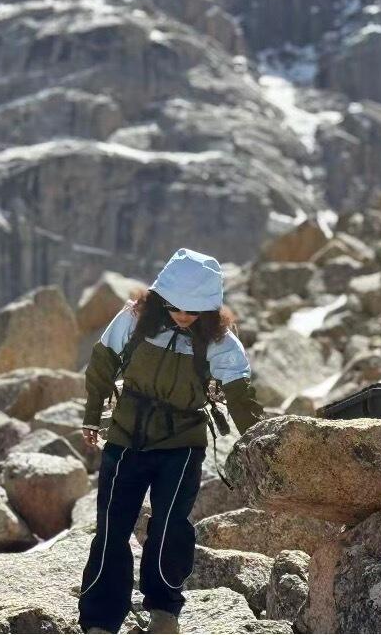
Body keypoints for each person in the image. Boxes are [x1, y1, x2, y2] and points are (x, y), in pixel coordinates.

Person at [77, 248, 264, 634]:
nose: (183, 315)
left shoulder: (220, 342)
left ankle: (164, 611)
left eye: (193, 310)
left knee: (169, 527)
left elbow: (241, 396)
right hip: (127, 437)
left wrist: (260, 441)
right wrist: (92, 415)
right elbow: (101, 365)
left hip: (181, 445)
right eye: (176, 306)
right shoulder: (134, 319)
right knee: (112, 528)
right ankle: (100, 619)